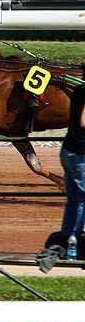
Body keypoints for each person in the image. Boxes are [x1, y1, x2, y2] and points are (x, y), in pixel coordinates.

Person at [60, 83, 85, 235]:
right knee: (82, 202)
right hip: (80, 155)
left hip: (68, 151)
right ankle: (73, 244)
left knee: (74, 201)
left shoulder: (79, 90)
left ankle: (66, 241)